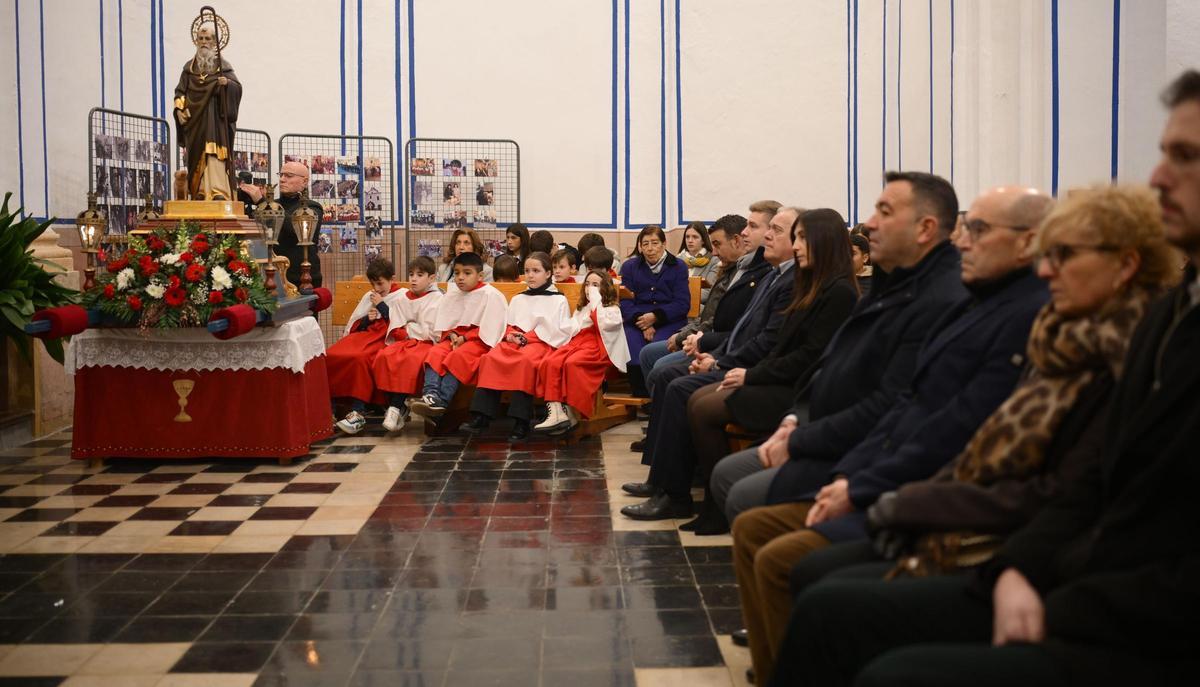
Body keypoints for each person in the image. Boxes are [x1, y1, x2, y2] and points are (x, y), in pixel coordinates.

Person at [777, 70, 1200, 687]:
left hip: (1116, 600)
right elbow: (937, 415)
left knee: (852, 624)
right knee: (812, 576)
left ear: (1124, 265)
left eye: (1184, 157)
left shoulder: (1099, 336)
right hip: (1041, 549)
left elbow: (1073, 484)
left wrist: (896, 496)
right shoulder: (1111, 325)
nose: (1159, 175)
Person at [732, 186, 1054, 683]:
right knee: (753, 523)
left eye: (978, 230)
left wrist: (856, 483)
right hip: (860, 455)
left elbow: (948, 425)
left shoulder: (977, 304)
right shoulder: (931, 292)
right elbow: (891, 396)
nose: (964, 242)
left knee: (780, 549)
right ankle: (777, 661)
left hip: (921, 492)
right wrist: (830, 453)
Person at [709, 172, 966, 525]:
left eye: (885, 213)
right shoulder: (884, 288)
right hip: (812, 420)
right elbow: (827, 366)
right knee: (726, 468)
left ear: (925, 228)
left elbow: (890, 402)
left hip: (849, 446)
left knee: (737, 488)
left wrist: (800, 437)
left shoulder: (931, 300)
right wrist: (794, 419)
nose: (870, 225)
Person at [681, 209, 860, 535]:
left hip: (796, 391)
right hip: (778, 378)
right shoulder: (811, 283)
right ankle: (712, 500)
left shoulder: (839, 292)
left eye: (803, 238)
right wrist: (745, 370)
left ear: (825, 242)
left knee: (704, 407)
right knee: (697, 399)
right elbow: (781, 348)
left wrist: (750, 375)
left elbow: (808, 358)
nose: (796, 245)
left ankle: (716, 506)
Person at [620, 207, 801, 520]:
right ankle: (662, 479)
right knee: (664, 370)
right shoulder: (766, 274)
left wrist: (714, 357)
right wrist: (704, 345)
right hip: (721, 347)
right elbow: (740, 327)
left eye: (760, 227)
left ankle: (681, 490)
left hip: (745, 364)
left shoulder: (773, 276)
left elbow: (759, 337)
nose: (748, 232)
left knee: (672, 380)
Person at [460, 252, 575, 441]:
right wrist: (511, 335)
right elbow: (509, 323)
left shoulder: (558, 299)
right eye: (527, 271)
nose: (530, 275)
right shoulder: (519, 298)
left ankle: (521, 422)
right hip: (515, 341)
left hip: (540, 343)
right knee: (491, 358)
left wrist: (528, 337)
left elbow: (558, 331)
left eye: (536, 271)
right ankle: (481, 416)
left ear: (548, 273)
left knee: (525, 362)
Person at [638, 214, 752, 375]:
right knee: (645, 351)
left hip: (709, 337)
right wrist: (680, 333)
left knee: (661, 368)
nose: (715, 253)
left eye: (717, 245)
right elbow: (708, 314)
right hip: (695, 328)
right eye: (687, 237)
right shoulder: (727, 270)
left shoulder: (738, 272)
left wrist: (684, 336)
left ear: (736, 241)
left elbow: (691, 307)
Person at [410, 252, 507, 417]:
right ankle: (430, 394)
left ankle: (442, 400)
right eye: (456, 273)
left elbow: (491, 327)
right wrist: (452, 334)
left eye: (467, 273)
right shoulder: (453, 292)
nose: (460, 277)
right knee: (435, 352)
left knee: (459, 356)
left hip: (478, 342)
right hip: (454, 339)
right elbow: (446, 321)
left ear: (480, 275)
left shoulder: (491, 295)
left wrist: (466, 337)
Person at [535, 270, 631, 433]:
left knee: (572, 364)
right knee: (549, 361)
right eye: (587, 284)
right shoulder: (583, 307)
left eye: (595, 285)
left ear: (605, 288)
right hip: (577, 342)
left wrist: (596, 302)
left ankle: (572, 411)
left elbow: (606, 325)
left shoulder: (610, 307)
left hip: (597, 346)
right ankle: (557, 411)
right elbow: (573, 327)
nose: (590, 289)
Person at [330, 259, 405, 434]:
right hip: (364, 336)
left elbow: (400, 325)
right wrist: (366, 320)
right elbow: (355, 324)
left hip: (386, 339)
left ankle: (358, 411)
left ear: (392, 279)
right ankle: (330, 409)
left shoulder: (402, 295)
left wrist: (381, 305)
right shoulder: (368, 296)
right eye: (373, 284)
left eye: (380, 283)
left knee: (361, 358)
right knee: (332, 354)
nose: (377, 288)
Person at [618, 225, 693, 396]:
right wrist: (643, 322)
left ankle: (658, 395)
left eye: (655, 243)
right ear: (640, 246)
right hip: (637, 320)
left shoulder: (678, 266)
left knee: (658, 346)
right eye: (645, 244)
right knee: (631, 342)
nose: (650, 249)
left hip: (669, 320)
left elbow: (682, 303)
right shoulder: (630, 266)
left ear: (664, 244)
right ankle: (640, 395)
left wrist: (655, 317)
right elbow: (626, 301)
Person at [371, 257, 444, 432]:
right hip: (405, 341)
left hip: (426, 343)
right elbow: (396, 326)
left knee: (411, 359)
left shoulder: (437, 298)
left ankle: (395, 408)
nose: (413, 279)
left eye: (420, 275)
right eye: (411, 274)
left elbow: (432, 331)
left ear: (431, 278)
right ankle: (397, 406)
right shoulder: (402, 298)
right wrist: (407, 329)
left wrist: (409, 328)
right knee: (384, 356)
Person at [173, 21, 242, 201]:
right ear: (196, 41)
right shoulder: (189, 68)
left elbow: (237, 87)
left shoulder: (223, 66)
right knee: (196, 155)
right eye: (200, 38)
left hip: (215, 119)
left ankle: (219, 190)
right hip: (196, 121)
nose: (203, 42)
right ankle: (200, 190)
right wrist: (179, 109)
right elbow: (180, 91)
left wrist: (227, 85)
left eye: (208, 39)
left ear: (214, 43)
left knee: (215, 153)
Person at [239, 161, 324, 289]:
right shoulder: (272, 205)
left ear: (305, 182)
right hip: (271, 274)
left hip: (302, 278)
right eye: (281, 175)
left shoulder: (312, 207)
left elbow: (295, 229)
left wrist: (262, 202)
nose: (282, 179)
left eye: (289, 176)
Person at [677, 221, 721, 303]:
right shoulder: (677, 260)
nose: (690, 240)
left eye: (695, 237)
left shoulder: (713, 261)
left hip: (699, 309)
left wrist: (681, 297)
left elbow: (709, 292)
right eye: (687, 237)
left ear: (703, 240)